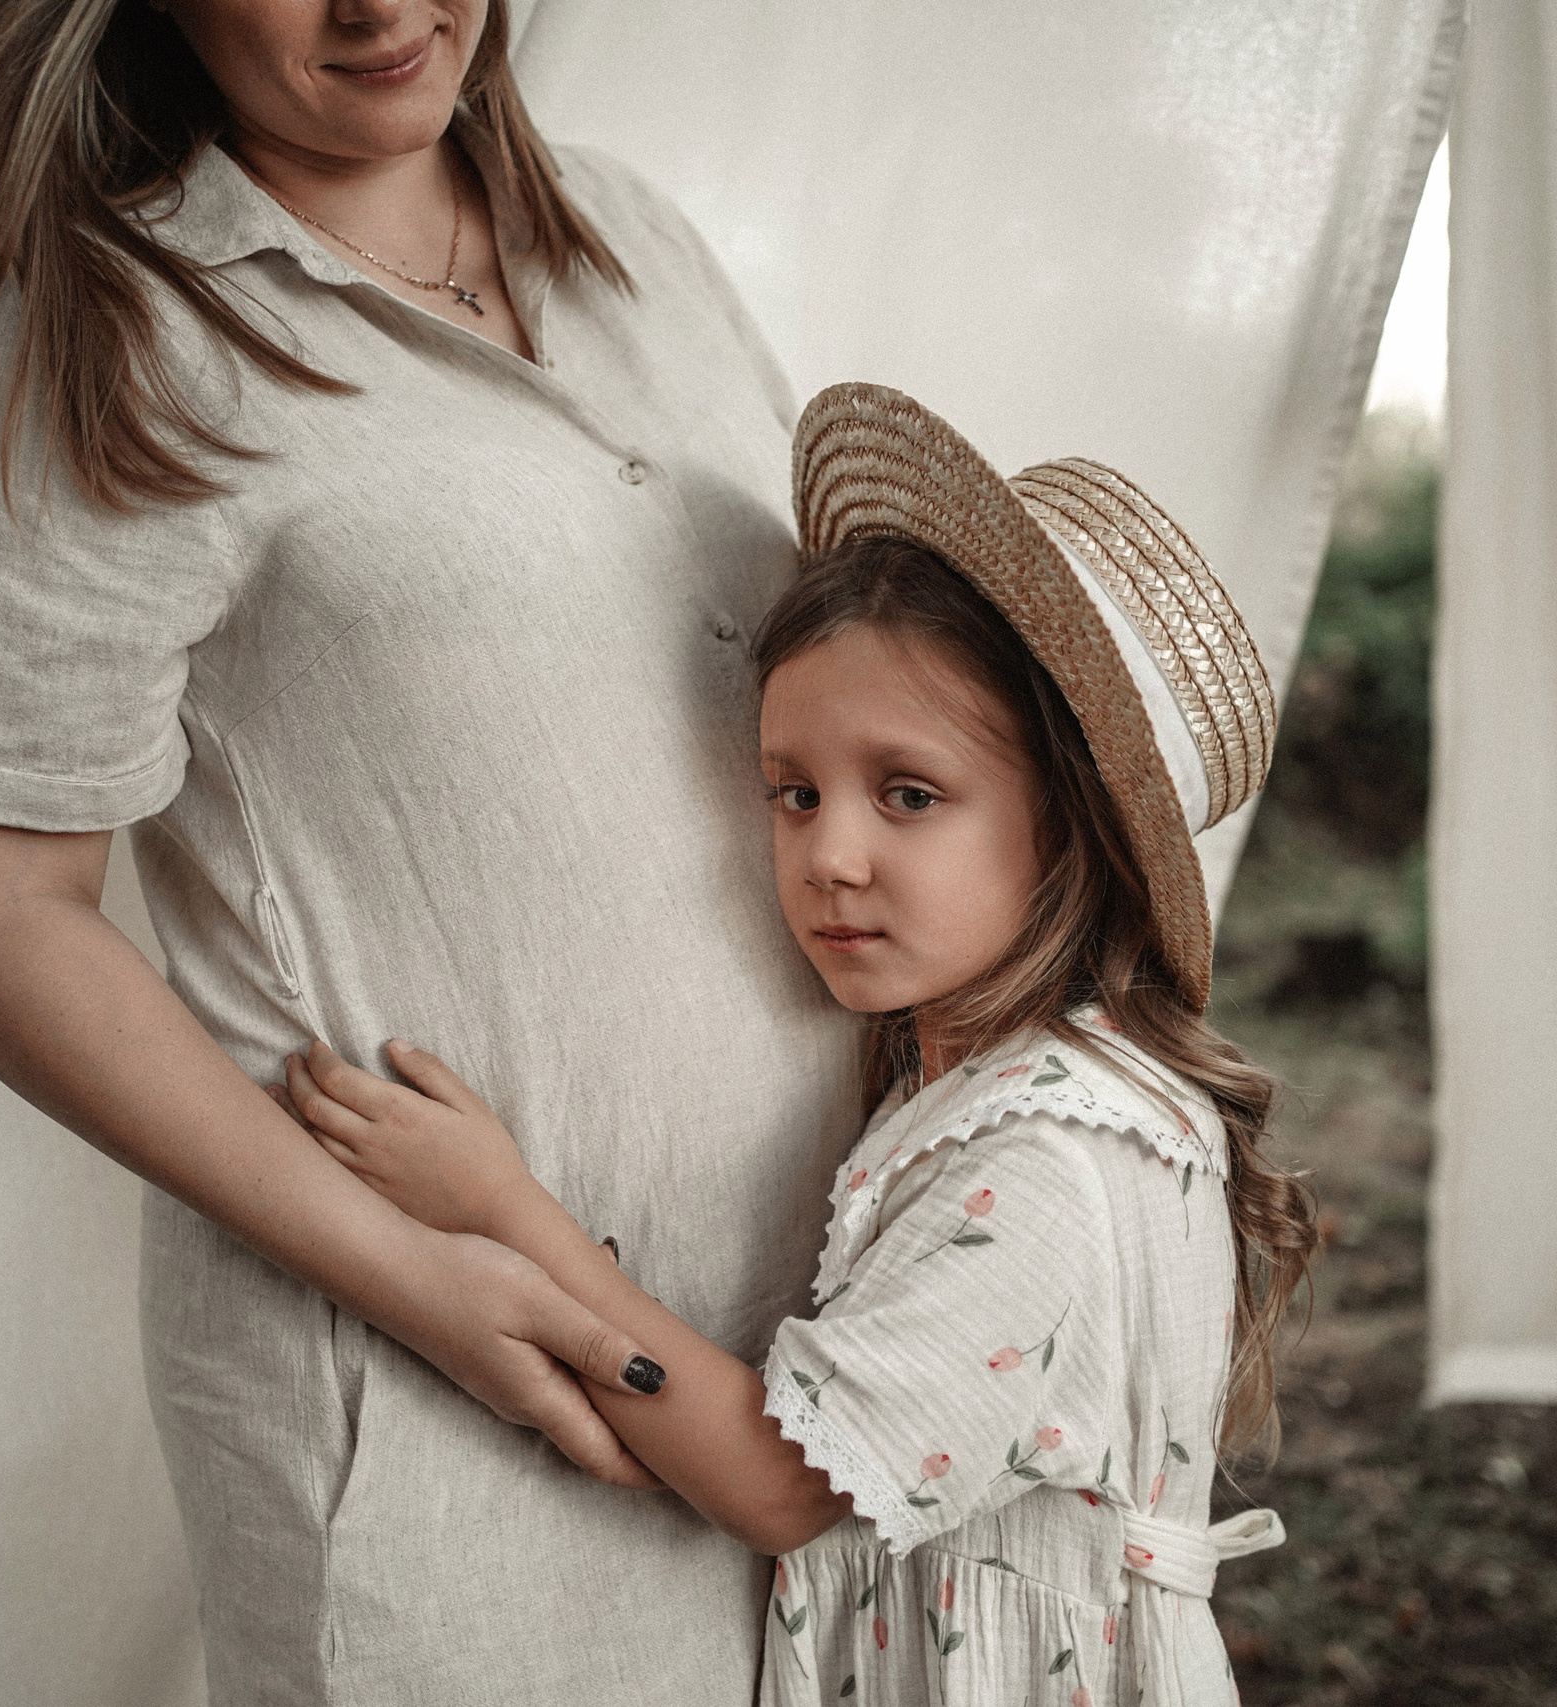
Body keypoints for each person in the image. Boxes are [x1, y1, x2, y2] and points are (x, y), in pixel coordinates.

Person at [0, 0, 858, 1699]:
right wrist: (430, 1287)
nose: (380, 6)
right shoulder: (118, 335)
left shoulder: (632, 241)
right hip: (440, 1399)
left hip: (804, 1372)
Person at [277, 384, 1322, 1703]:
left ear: (1073, 825)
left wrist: (502, 1212)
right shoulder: (994, 1085)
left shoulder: (1049, 1160)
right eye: (794, 791)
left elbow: (781, 1487)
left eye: (908, 795)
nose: (828, 855)